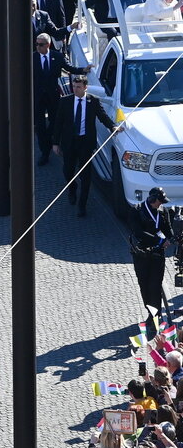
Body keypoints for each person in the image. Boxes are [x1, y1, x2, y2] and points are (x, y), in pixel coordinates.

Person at [52, 75, 121, 218]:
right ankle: (72, 189)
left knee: (86, 175)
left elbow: (102, 116)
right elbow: (58, 123)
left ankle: (82, 205)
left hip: (85, 143)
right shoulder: (65, 101)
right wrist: (55, 143)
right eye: (74, 86)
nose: (75, 89)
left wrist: (113, 127)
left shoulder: (93, 101)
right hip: (69, 143)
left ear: (85, 87)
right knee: (68, 171)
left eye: (78, 87)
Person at [33, 34, 90, 166]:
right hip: (38, 98)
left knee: (56, 122)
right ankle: (44, 152)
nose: (37, 47)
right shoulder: (32, 58)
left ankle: (54, 141)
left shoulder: (57, 57)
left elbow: (69, 68)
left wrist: (83, 70)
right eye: (36, 44)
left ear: (48, 45)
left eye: (40, 44)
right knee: (40, 126)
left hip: (53, 96)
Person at [129, 187, 174, 339]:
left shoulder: (162, 211)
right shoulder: (136, 210)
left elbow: (168, 230)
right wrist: (159, 239)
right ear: (152, 200)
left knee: (154, 285)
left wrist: (168, 238)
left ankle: (155, 315)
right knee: (144, 285)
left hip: (156, 254)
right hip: (141, 255)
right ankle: (150, 311)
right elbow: (137, 232)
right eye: (159, 201)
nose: (161, 204)